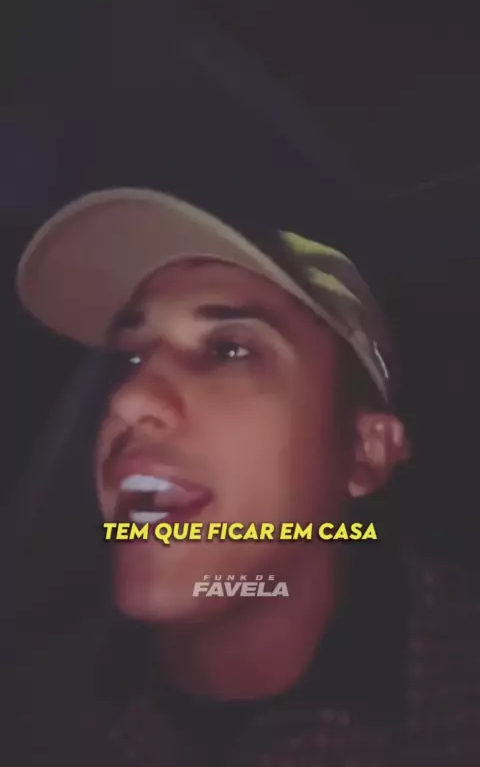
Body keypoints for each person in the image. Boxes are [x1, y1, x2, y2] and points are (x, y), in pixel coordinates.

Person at [10, 187, 480, 765]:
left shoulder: (457, 689)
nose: (128, 399)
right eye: (130, 357)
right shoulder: (36, 704)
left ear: (365, 453)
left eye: (229, 350)